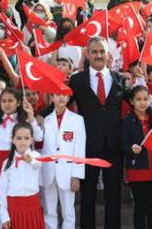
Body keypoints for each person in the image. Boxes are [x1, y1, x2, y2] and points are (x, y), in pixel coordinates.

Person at [70, 37, 131, 229]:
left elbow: (135, 100)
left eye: (102, 52)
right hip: (87, 145)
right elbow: (62, 100)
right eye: (94, 52)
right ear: (87, 54)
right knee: (88, 195)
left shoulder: (119, 78)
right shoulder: (77, 80)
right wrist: (40, 115)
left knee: (113, 196)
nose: (98, 55)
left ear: (108, 54)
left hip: (113, 145)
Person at [0, 88, 42, 229]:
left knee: (13, 198)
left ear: (18, 103)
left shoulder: (24, 119)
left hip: (20, 159)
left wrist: (32, 117)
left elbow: (39, 137)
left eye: (10, 101)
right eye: (4, 101)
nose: (6, 104)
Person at [122, 85, 152, 229]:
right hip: (136, 172)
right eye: (138, 99)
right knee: (139, 209)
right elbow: (122, 145)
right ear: (131, 101)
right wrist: (131, 149)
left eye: (145, 99)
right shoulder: (127, 122)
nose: (142, 102)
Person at [42, 92, 86, 229]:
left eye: (64, 95)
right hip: (48, 171)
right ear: (51, 98)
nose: (61, 98)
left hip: (68, 172)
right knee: (49, 211)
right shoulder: (45, 120)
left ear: (68, 98)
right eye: (57, 95)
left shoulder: (77, 120)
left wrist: (76, 175)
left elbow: (80, 149)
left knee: (68, 212)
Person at [0, 122, 45, 229]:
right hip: (13, 208)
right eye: (18, 138)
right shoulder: (7, 163)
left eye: (26, 138)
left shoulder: (36, 156)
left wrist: (31, 160)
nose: (22, 142)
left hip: (32, 206)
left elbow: (38, 164)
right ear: (13, 140)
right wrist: (4, 215)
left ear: (32, 140)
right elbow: (2, 188)